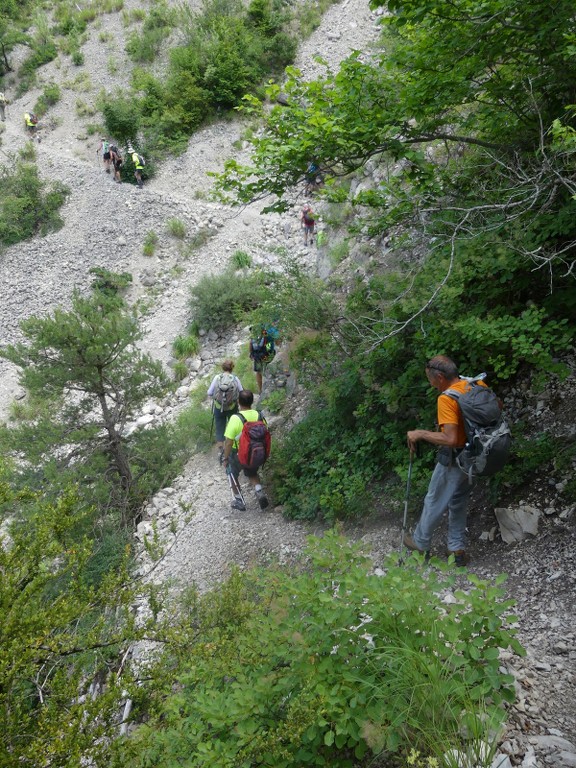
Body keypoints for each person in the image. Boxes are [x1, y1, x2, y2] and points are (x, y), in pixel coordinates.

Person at [404, 355, 489, 567]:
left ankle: (420, 544)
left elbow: (450, 439)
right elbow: (498, 407)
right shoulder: (476, 383)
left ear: (440, 377)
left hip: (455, 459)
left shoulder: (447, 399)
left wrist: (420, 434)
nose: (430, 384)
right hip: (478, 457)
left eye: (431, 379)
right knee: (458, 501)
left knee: (434, 500)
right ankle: (457, 549)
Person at [222, 389, 269, 511]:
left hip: (237, 453)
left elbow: (228, 442)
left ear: (238, 402)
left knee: (232, 473)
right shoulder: (258, 415)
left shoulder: (235, 418)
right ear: (252, 401)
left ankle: (239, 500)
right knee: (252, 472)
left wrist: (226, 458)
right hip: (254, 451)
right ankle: (259, 491)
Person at [207, 359, 243, 462]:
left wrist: (216, 397)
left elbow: (209, 392)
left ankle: (221, 451)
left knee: (220, 428)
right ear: (232, 368)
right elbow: (241, 392)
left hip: (219, 407)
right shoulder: (235, 379)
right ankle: (234, 448)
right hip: (232, 407)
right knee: (233, 427)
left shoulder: (217, 378)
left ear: (222, 368)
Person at [249, 324, 278, 395]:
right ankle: (271, 385)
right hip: (265, 356)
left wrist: (251, 355)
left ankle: (260, 390)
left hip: (257, 357)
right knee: (268, 370)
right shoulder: (266, 336)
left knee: (259, 372)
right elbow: (269, 348)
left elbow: (250, 347)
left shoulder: (253, 338)